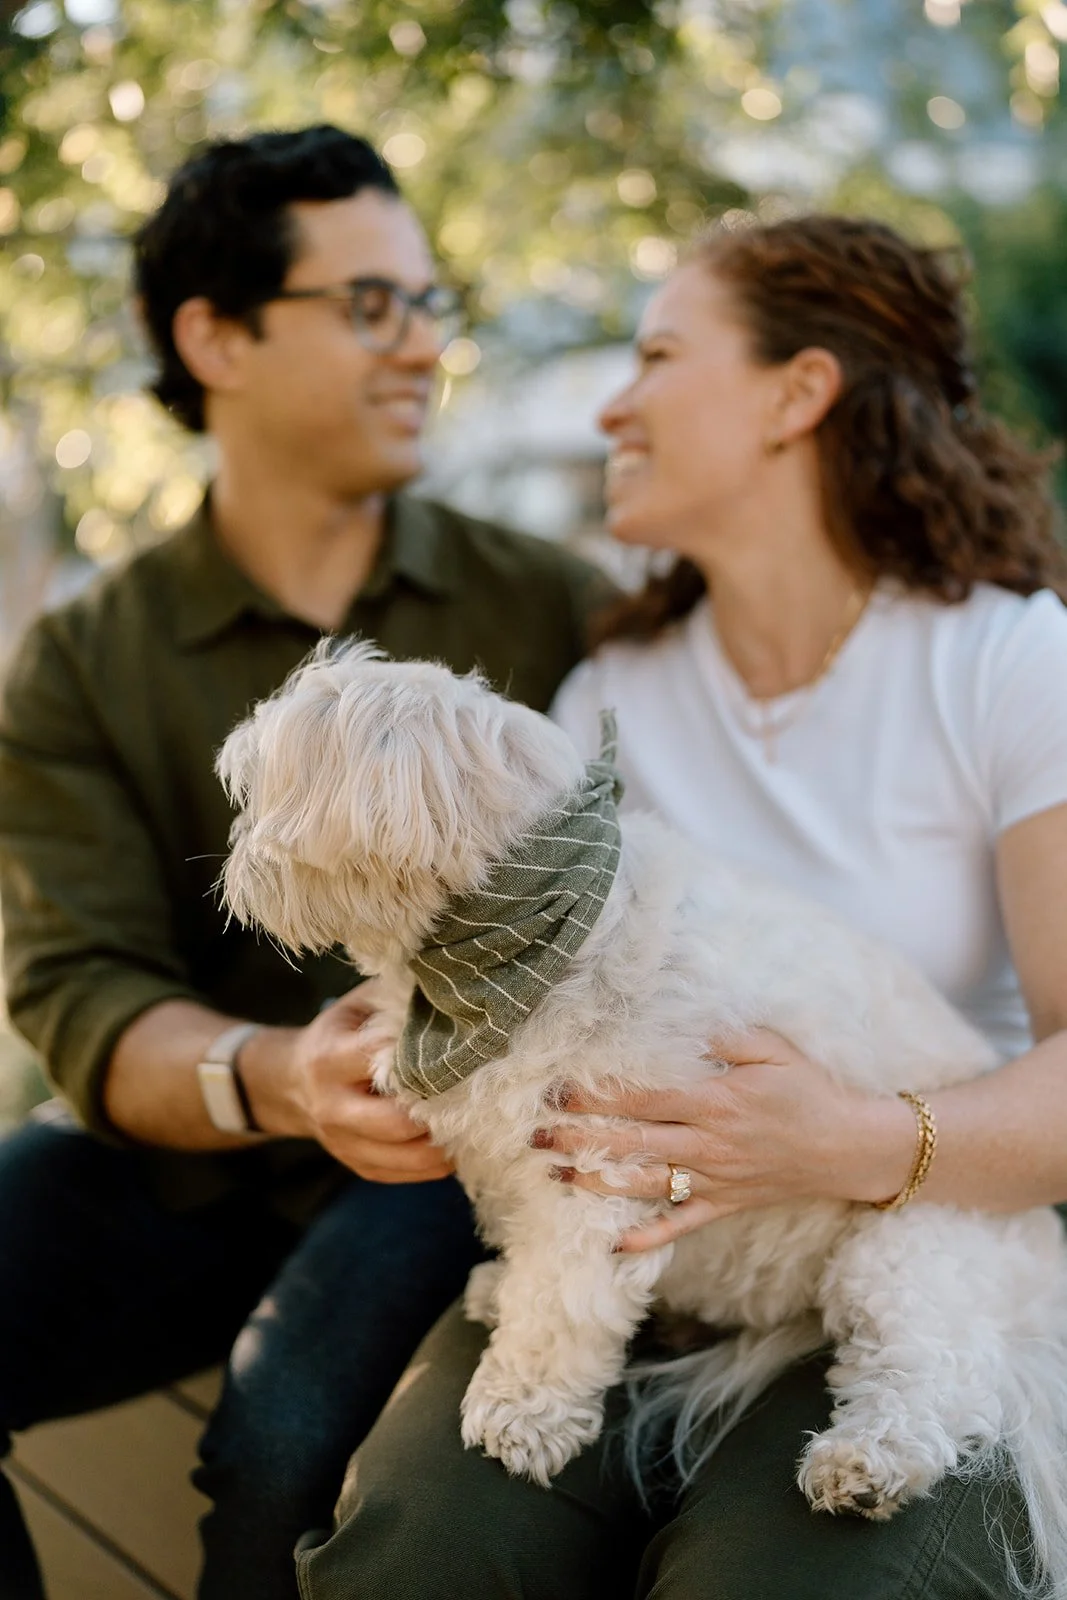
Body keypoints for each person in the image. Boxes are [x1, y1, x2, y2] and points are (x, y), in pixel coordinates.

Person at [295, 215, 1067, 1600]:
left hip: (922, 1243)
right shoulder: (609, 701)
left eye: (656, 356)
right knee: (418, 1550)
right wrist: (371, 1057)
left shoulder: (1011, 664)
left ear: (797, 392)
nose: (613, 405)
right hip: (620, 1256)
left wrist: (847, 1139)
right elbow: (495, 973)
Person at [0, 125, 609, 1600]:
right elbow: (80, 990)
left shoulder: (553, 609)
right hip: (192, 1153)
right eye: (368, 305)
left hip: (452, 1170)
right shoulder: (82, 662)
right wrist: (281, 1079)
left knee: (285, 1456)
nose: (422, 347)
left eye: (428, 304)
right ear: (214, 336)